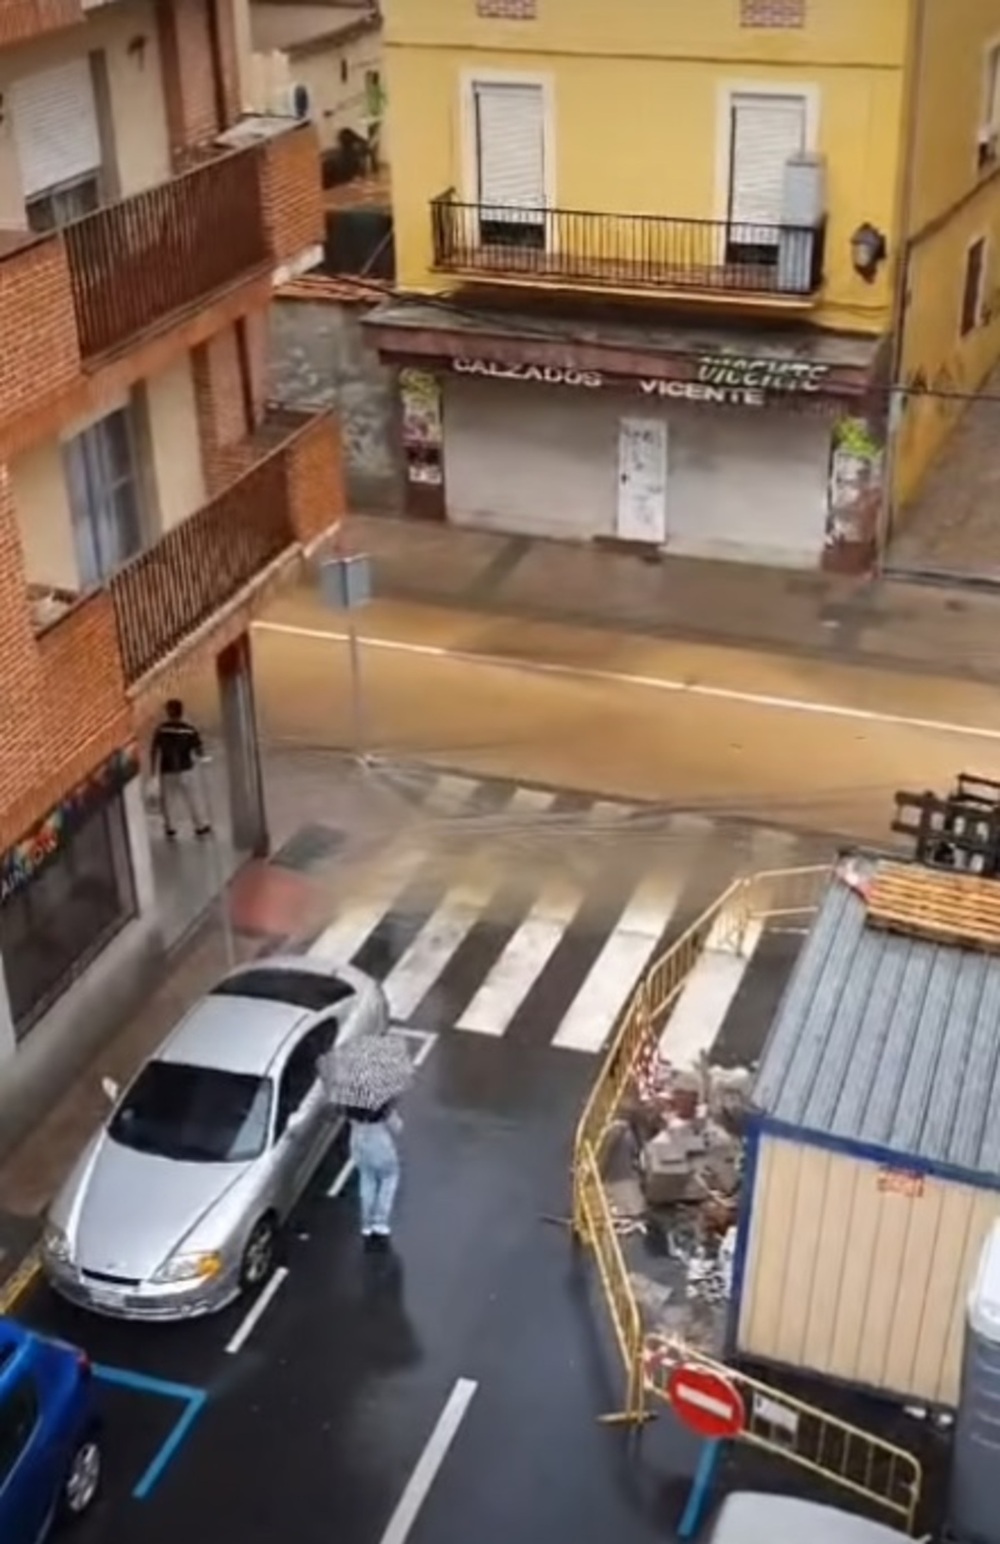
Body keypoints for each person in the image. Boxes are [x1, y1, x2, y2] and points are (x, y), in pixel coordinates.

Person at [150, 699, 211, 839]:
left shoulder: (161, 730)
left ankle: (170, 828)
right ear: (181, 712)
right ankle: (200, 826)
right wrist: (203, 758)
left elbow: (154, 750)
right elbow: (199, 751)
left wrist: (153, 772)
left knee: (168, 800)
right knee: (193, 798)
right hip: (186, 769)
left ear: (168, 712)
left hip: (167, 770)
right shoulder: (189, 730)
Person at [346, 1100, 401, 1249]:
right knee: (389, 1177)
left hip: (357, 1141)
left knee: (366, 1179)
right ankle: (380, 1222)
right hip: (379, 1142)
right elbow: (396, 1126)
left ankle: (366, 1224)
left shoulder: (350, 1099)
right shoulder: (380, 1101)